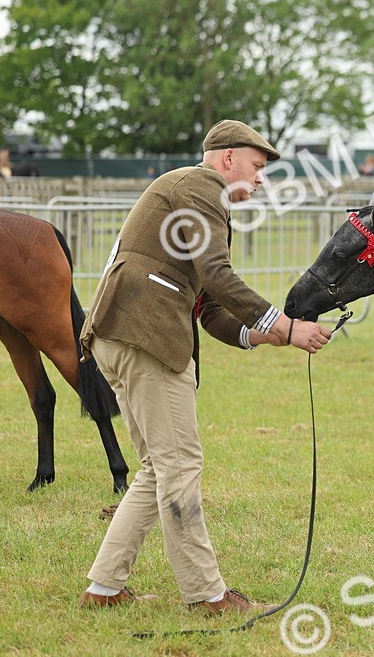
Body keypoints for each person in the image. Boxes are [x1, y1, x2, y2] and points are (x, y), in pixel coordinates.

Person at [77, 119, 334, 614]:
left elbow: (208, 306)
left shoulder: (187, 194)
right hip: (145, 337)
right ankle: (207, 595)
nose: (260, 180)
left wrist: (264, 335)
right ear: (228, 158)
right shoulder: (201, 186)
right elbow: (218, 276)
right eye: (257, 168)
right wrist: (283, 326)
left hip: (120, 335)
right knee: (179, 464)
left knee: (157, 467)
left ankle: (104, 588)